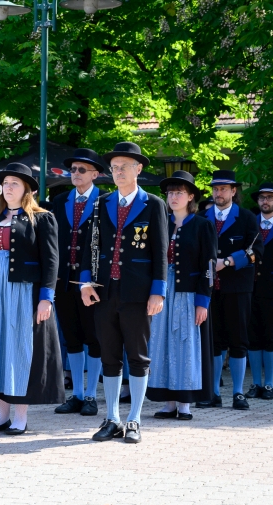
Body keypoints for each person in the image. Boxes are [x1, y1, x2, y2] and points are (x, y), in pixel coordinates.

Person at [0, 163, 63, 435]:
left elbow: (51, 261)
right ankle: (0, 414)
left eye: (14, 184)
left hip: (22, 290)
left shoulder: (42, 218)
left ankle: (20, 416)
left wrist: (46, 297)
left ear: (27, 189)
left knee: (19, 347)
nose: (8, 188)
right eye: (5, 183)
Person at [80, 142, 168, 444]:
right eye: (114, 167)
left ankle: (135, 420)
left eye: (124, 166)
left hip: (138, 292)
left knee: (138, 356)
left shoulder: (153, 204)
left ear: (138, 169)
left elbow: (160, 252)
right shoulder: (101, 203)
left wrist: (159, 291)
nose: (118, 171)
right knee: (109, 356)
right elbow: (90, 248)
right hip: (105, 290)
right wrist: (85, 282)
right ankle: (113, 418)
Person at [146, 171, 217, 419]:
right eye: (170, 192)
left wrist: (203, 301)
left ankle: (185, 403)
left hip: (188, 293)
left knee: (185, 343)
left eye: (179, 193)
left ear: (190, 197)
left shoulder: (202, 225)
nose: (173, 197)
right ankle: (169, 403)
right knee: (161, 342)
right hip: (161, 291)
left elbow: (209, 265)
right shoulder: (159, 222)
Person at [196, 170, 261, 410]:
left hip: (238, 287)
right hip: (209, 289)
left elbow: (256, 251)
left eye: (223, 189)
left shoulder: (246, 218)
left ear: (234, 191)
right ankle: (213, 392)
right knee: (213, 341)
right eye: (215, 189)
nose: (218, 193)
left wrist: (229, 262)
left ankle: (237, 392)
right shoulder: (202, 218)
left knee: (238, 339)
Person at [52, 149, 107, 417]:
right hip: (63, 280)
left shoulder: (106, 201)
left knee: (93, 338)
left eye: (81, 170)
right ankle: (75, 394)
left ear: (95, 174)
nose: (75, 174)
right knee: (71, 338)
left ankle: (91, 395)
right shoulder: (59, 199)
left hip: (92, 282)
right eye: (73, 169)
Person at [245, 181, 273, 400]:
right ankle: (255, 383)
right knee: (252, 337)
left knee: (271, 336)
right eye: (262, 198)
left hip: (272, 288)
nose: (266, 201)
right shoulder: (250, 223)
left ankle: (270, 385)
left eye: (270, 197)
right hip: (249, 287)